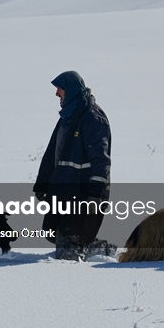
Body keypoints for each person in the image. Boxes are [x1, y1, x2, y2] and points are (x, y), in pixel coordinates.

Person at [32, 71, 115, 260]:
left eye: (59, 89)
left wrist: (95, 194)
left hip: (84, 195)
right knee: (51, 231)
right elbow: (52, 154)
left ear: (70, 91)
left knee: (68, 244)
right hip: (64, 191)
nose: (56, 94)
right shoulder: (67, 117)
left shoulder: (93, 117)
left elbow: (101, 160)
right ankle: (96, 248)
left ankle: (78, 273)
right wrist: (43, 185)